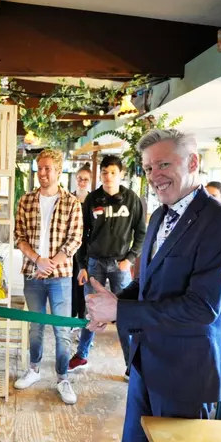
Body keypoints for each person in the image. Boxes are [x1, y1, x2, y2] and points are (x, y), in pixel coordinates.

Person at [86, 129, 221, 442]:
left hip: (186, 370)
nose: (155, 174)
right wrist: (116, 306)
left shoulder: (220, 224)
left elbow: (201, 308)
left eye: (164, 163)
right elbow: (147, 285)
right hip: (146, 358)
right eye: (149, 166)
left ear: (193, 163)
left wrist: (121, 312)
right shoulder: (159, 215)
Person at [13, 148, 83, 404]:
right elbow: (18, 237)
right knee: (35, 327)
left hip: (61, 275)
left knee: (62, 330)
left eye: (47, 168)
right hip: (33, 273)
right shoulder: (26, 200)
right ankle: (33, 369)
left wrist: (51, 264)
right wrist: (38, 260)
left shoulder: (72, 203)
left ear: (58, 171)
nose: (42, 173)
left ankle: (63, 378)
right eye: (39, 168)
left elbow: (74, 240)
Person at [70, 155, 146, 376]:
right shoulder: (92, 199)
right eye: (104, 172)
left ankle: (130, 365)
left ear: (120, 174)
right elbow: (82, 235)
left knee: (124, 313)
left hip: (120, 264)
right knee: (90, 310)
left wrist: (130, 259)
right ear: (100, 174)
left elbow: (141, 232)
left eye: (113, 172)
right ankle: (82, 354)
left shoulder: (132, 199)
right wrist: (82, 265)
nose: (108, 176)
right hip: (94, 263)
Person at [71, 163, 92, 319]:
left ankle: (83, 317)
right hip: (71, 246)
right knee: (71, 282)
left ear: (90, 180)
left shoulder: (93, 200)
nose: (82, 182)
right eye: (80, 179)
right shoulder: (70, 198)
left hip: (87, 247)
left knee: (84, 283)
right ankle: (71, 317)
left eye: (85, 179)